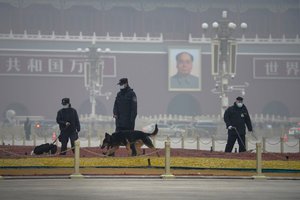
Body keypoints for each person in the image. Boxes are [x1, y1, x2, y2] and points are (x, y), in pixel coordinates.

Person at [113, 78, 137, 155]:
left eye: (121, 84)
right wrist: (115, 113)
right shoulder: (118, 94)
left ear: (126, 84)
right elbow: (115, 105)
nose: (120, 86)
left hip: (128, 122)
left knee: (130, 140)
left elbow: (134, 109)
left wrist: (132, 121)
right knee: (116, 138)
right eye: (119, 85)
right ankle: (111, 153)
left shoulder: (132, 94)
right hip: (119, 122)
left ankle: (133, 153)